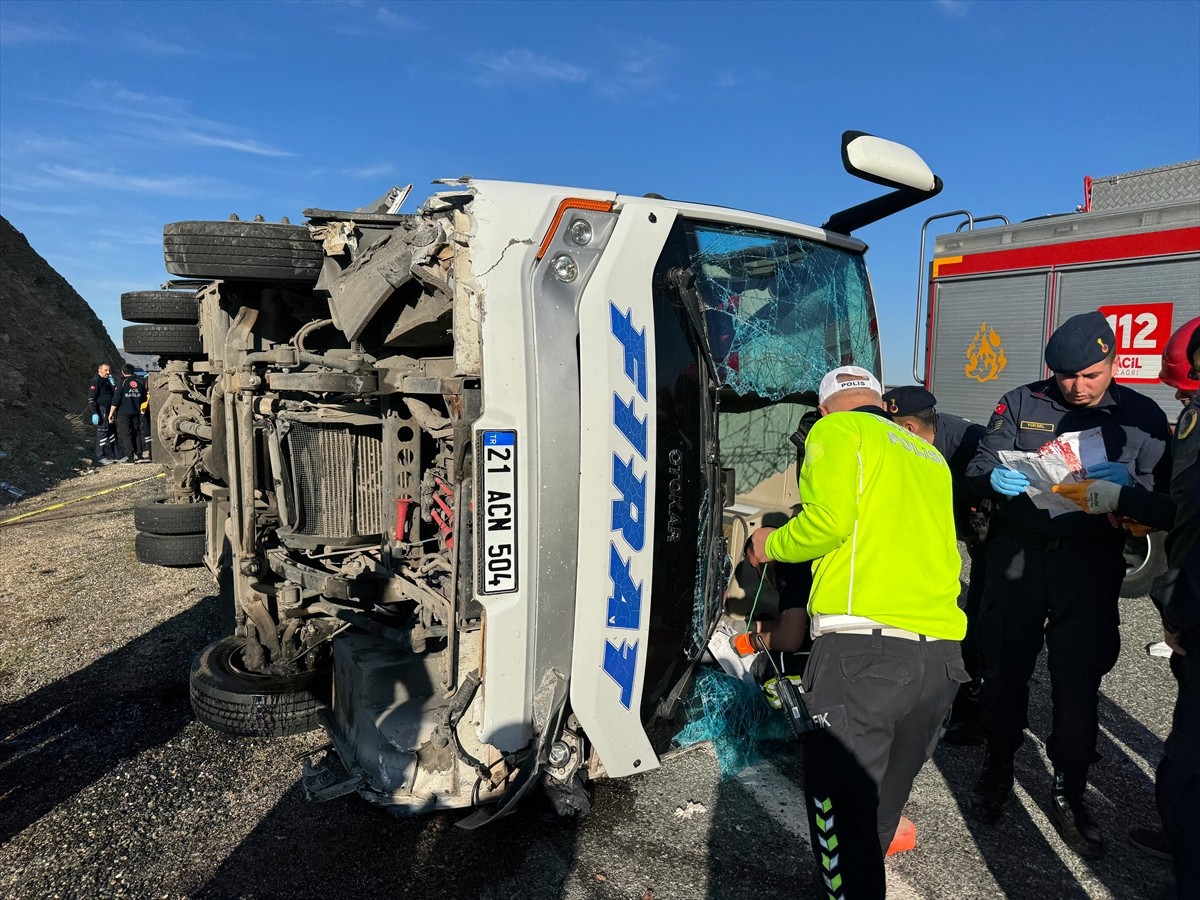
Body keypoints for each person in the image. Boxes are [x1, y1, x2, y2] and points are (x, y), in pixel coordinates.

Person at [746, 365, 967, 898]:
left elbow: (828, 522)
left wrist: (767, 543)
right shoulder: (928, 455)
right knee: (878, 816)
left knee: (843, 830)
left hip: (863, 659)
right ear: (881, 401)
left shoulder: (835, 431)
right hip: (940, 662)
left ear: (823, 410)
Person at [964, 310, 1172, 858]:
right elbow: (977, 468)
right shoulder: (1020, 402)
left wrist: (1131, 489)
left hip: (1090, 563)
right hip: (1020, 558)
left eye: (1090, 375)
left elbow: (1167, 501)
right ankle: (998, 766)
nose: (1077, 387)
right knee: (1004, 669)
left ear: (1112, 362)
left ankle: (1069, 788)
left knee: (1077, 679)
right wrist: (993, 480)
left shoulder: (1142, 416)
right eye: (1065, 376)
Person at [1055, 317, 1199, 894]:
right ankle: (1181, 835)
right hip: (1189, 603)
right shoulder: (1192, 419)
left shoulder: (1144, 415)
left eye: (1189, 389)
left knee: (1189, 758)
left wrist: (1133, 496)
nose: (1185, 401)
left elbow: (1188, 511)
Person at [882, 385, 988, 743]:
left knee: (982, 617)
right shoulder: (914, 442)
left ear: (909, 428)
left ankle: (974, 707)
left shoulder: (968, 441)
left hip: (991, 538)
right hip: (947, 533)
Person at [109, 364, 146, 464]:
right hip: (136, 412)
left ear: (123, 372)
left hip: (123, 413)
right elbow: (144, 398)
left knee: (126, 434)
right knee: (137, 433)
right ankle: (140, 455)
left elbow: (116, 399)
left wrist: (111, 413)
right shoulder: (140, 382)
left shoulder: (122, 383)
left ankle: (130, 457)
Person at [86, 362, 119, 466]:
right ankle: (100, 457)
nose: (108, 372)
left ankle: (117, 454)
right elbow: (91, 398)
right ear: (99, 370)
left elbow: (113, 394)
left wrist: (114, 385)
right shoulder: (95, 381)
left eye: (109, 370)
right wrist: (94, 413)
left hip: (110, 410)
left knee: (113, 431)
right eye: (106, 370)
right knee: (103, 432)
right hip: (102, 409)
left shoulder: (107, 380)